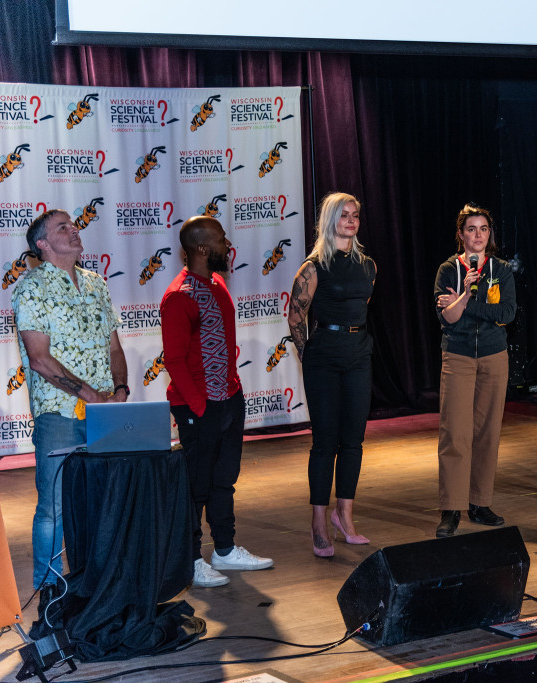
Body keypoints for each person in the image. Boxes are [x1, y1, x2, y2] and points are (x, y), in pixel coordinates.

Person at [12, 209, 129, 592]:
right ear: (42, 245)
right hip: (60, 413)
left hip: (104, 413)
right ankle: (48, 589)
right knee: (54, 506)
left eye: (74, 225)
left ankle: (96, 583)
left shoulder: (95, 283)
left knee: (102, 500)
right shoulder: (31, 287)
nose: (74, 230)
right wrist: (91, 395)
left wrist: (122, 389)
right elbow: (40, 359)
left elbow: (114, 346)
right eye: (62, 227)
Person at [161, 215, 272, 588]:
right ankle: (190, 560)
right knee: (195, 486)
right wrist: (199, 406)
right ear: (203, 249)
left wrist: (232, 393)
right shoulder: (179, 297)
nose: (228, 245)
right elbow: (174, 360)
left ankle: (224, 549)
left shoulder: (217, 283)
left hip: (229, 398)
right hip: (198, 406)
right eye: (222, 240)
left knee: (224, 479)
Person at [287, 192, 376, 557]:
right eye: (344, 215)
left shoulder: (368, 265)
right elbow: (296, 316)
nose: (351, 221)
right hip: (323, 355)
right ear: (330, 220)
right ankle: (318, 522)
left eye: (355, 215)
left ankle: (346, 517)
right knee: (325, 443)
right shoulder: (312, 267)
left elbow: (361, 306)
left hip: (359, 353)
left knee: (354, 440)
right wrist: (309, 354)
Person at [433, 204, 515, 537]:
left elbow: (507, 313)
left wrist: (466, 305)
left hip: (494, 356)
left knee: (488, 433)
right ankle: (452, 508)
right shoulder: (447, 269)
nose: (477, 235)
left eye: (483, 229)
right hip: (458, 356)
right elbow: (448, 318)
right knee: (455, 433)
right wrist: (467, 292)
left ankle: (480, 503)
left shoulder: (502, 269)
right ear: (461, 234)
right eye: (471, 229)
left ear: (489, 234)